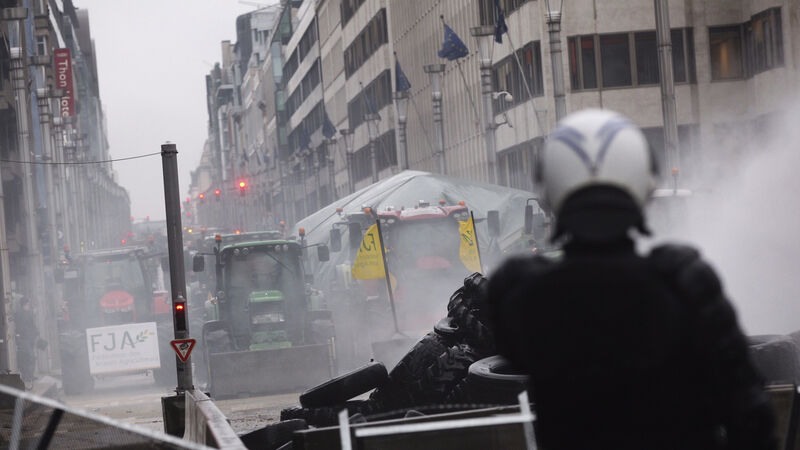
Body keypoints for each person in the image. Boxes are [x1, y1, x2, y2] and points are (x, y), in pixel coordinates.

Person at [487, 109, 775, 449]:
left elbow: (513, 349)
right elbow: (750, 416)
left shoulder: (522, 295)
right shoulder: (685, 284)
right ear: (644, 184)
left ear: (549, 192)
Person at [15, 297, 39, 387]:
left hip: (29, 339)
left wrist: (36, 333)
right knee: (29, 357)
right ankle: (27, 376)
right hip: (24, 339)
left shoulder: (28, 313)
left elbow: (32, 325)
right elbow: (20, 327)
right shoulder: (19, 314)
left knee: (29, 358)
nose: (29, 306)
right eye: (28, 304)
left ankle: (29, 376)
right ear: (24, 305)